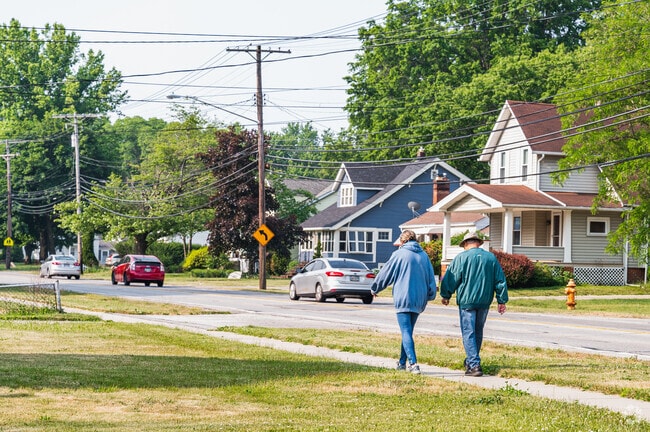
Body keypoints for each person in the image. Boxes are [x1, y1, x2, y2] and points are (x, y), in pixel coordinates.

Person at [440, 230, 508, 377]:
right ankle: (472, 360)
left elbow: (451, 278)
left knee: (468, 332)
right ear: (478, 243)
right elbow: (500, 280)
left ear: (465, 244)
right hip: (485, 300)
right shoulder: (491, 258)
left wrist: (446, 295)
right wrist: (501, 300)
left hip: (467, 301)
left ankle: (474, 365)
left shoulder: (461, 258)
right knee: (478, 331)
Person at [370, 229, 437, 375]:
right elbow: (431, 278)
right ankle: (401, 363)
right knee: (407, 332)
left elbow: (386, 273)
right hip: (419, 299)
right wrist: (430, 295)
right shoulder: (424, 256)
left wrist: (375, 288)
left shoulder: (399, 254)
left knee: (406, 332)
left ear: (403, 241)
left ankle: (413, 364)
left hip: (403, 297)